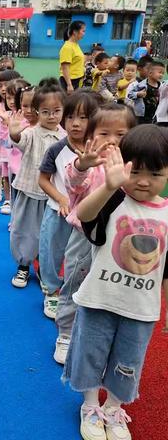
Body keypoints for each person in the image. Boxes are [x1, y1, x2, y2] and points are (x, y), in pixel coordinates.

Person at [63, 125, 168, 440]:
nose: (144, 181)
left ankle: (114, 408)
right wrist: (109, 186)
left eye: (155, 173)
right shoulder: (114, 200)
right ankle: (91, 405)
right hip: (99, 299)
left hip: (141, 308)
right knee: (91, 352)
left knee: (129, 360)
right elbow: (84, 214)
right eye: (135, 171)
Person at [54, 103, 136, 365]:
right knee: (74, 282)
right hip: (84, 238)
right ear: (91, 137)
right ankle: (66, 333)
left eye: (121, 134)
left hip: (117, 242)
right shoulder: (90, 165)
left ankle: (101, 336)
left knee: (107, 289)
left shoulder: (134, 167)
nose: (112, 140)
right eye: (104, 133)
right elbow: (73, 184)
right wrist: (81, 164)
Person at [38, 91, 96, 319]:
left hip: (86, 215)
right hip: (58, 210)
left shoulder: (98, 149)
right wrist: (61, 198)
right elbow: (43, 179)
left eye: (83, 117)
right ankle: (51, 290)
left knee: (81, 258)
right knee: (52, 250)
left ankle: (76, 291)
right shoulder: (57, 149)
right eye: (71, 117)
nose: (76, 123)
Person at [9, 79, 66, 287]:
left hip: (53, 196)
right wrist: (14, 132)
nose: (51, 116)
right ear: (37, 112)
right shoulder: (32, 133)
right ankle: (23, 265)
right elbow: (20, 141)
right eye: (45, 112)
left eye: (56, 111)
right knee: (25, 229)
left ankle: (44, 268)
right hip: (30, 190)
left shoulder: (65, 136)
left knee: (50, 234)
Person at [127, 60, 165, 124]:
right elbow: (130, 94)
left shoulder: (161, 86)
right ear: (150, 73)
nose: (161, 75)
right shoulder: (142, 85)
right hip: (142, 115)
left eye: (163, 73)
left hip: (154, 115)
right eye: (160, 72)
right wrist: (138, 94)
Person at [59, 21, 86, 92]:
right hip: (70, 81)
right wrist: (69, 85)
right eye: (83, 31)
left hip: (77, 79)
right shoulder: (67, 47)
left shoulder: (76, 45)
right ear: (75, 32)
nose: (84, 34)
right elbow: (65, 67)